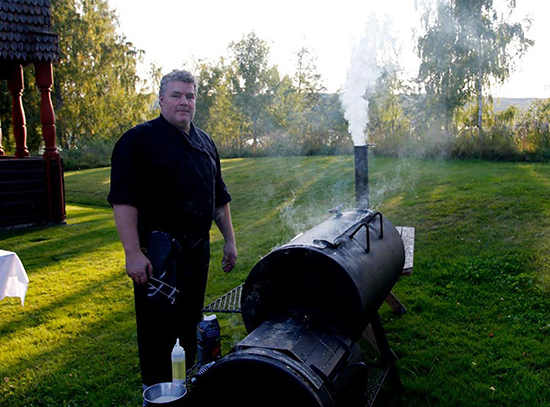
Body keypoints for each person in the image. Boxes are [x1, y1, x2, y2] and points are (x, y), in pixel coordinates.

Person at [107, 69, 237, 390]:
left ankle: (187, 383)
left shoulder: (205, 141)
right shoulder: (138, 140)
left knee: (190, 321)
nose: (184, 102)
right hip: (159, 255)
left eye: (190, 96)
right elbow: (123, 200)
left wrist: (230, 241)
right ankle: (157, 392)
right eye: (176, 95)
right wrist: (133, 253)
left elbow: (218, 198)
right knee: (157, 332)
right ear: (161, 99)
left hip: (197, 251)